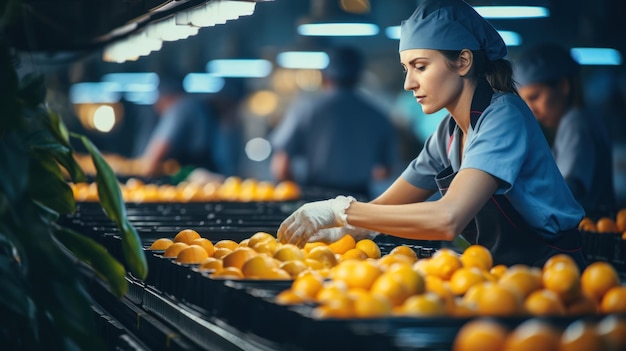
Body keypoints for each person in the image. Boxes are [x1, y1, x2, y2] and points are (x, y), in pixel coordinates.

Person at [277, 0, 587, 270]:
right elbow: (386, 208)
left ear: (463, 61)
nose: (408, 83)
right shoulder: (448, 133)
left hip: (553, 276)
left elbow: (447, 218)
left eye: (420, 66)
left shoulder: (504, 117)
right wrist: (349, 229)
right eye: (406, 69)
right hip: (504, 275)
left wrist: (339, 210)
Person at [269, 45, 399, 200]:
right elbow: (385, 171)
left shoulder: (306, 111)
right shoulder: (378, 116)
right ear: (359, 76)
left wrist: (295, 195)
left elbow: (281, 167)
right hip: (359, 201)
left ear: (324, 76)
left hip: (315, 199)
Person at [514, 43, 615, 217]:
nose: (531, 109)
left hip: (589, 233)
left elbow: (569, 189)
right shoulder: (578, 121)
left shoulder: (576, 122)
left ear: (563, 86)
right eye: (525, 102)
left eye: (535, 97)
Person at [138, 73, 220, 177]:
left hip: (190, 174)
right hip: (207, 169)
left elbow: (156, 151)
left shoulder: (179, 109)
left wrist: (144, 172)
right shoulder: (196, 104)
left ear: (163, 97)